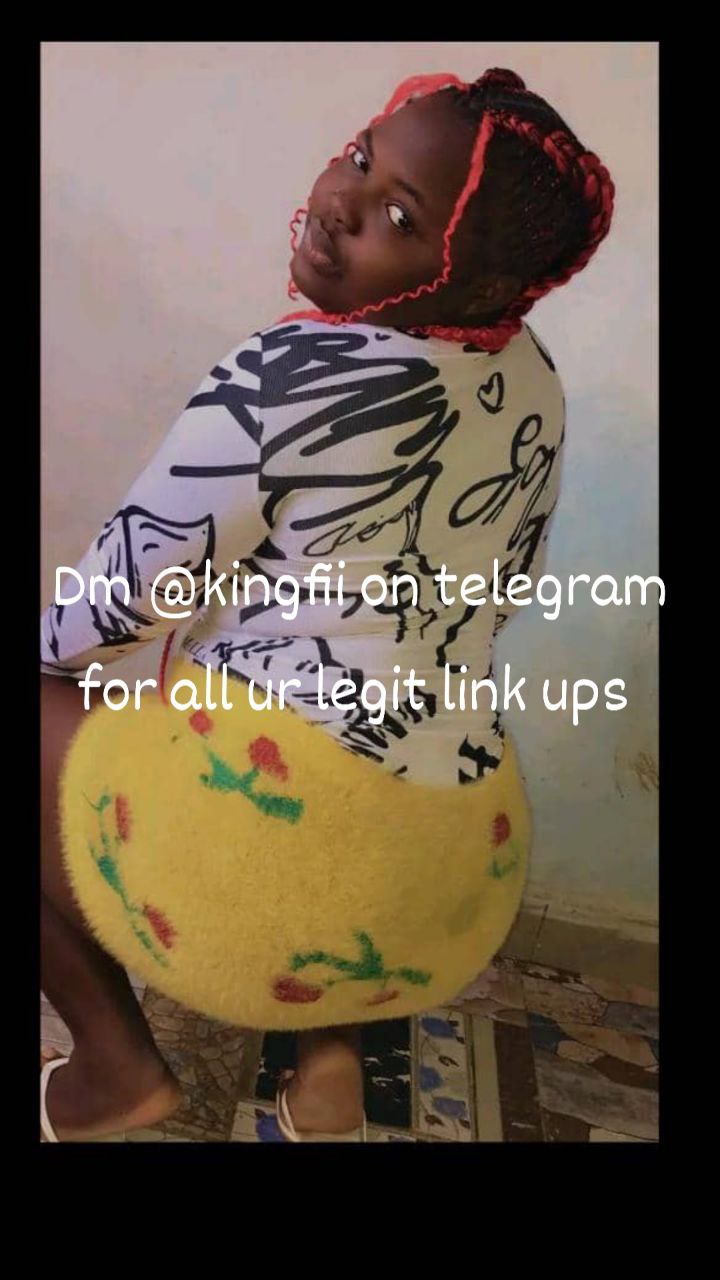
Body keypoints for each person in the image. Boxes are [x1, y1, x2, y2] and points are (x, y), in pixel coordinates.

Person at [40, 67, 615, 1142]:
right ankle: (331, 1063)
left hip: (281, 874)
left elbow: (123, 598)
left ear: (483, 280)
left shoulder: (289, 374)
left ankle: (114, 1067)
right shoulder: (532, 375)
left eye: (401, 217)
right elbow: (503, 592)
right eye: (360, 157)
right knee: (356, 740)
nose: (343, 202)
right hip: (454, 883)